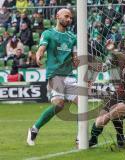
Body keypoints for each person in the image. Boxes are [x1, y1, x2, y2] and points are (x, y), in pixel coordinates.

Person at [27, 8, 79, 146]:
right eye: (66, 16)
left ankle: (80, 138)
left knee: (83, 103)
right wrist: (38, 56)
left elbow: (75, 57)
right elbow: (41, 49)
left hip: (70, 76)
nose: (69, 19)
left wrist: (77, 61)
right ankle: (34, 128)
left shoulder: (72, 37)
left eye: (70, 17)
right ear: (57, 16)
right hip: (55, 75)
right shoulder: (48, 34)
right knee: (59, 105)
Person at [88, 30, 125, 148]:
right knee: (100, 120)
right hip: (120, 92)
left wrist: (114, 51)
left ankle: (120, 138)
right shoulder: (120, 54)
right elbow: (104, 67)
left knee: (116, 110)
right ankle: (93, 140)